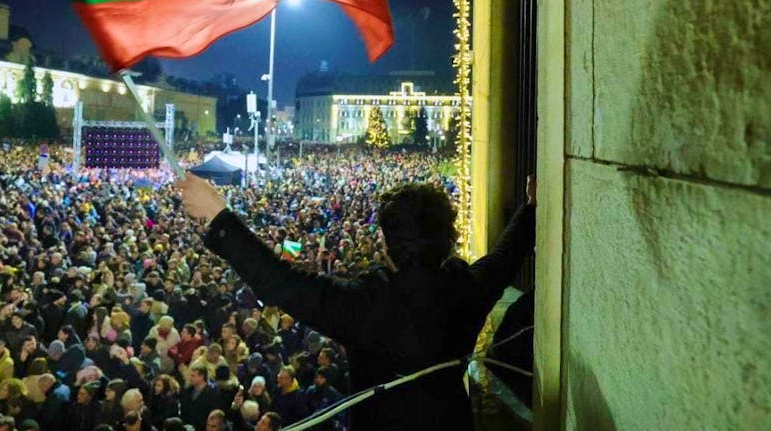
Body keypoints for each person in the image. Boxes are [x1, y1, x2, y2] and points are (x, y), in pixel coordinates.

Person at [177, 175, 537, 430]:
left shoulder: (364, 305)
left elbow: (281, 283)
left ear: (386, 243)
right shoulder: (467, 289)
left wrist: (219, 216)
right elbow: (505, 258)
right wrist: (532, 208)